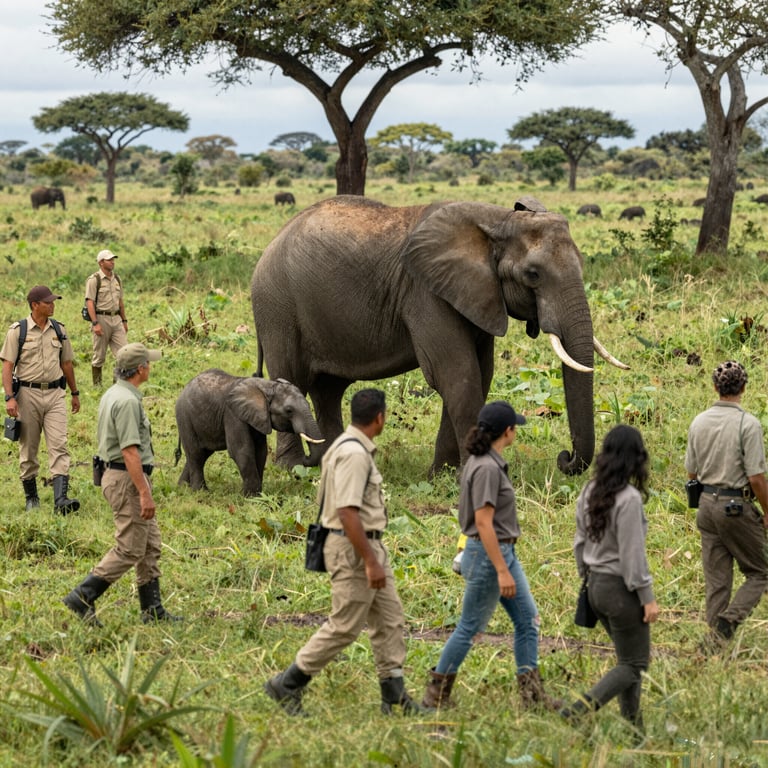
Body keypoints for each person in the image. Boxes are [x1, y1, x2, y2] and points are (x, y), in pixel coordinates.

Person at [265, 388, 420, 716]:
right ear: (380, 418)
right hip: (354, 548)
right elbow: (348, 511)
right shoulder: (353, 454)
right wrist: (369, 561)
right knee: (345, 624)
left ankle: (393, 695)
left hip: (367, 545)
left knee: (389, 619)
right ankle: (288, 683)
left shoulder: (347, 447)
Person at [421, 400, 560, 712]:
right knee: (470, 627)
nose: (516, 433)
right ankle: (436, 695)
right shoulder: (485, 468)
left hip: (501, 551)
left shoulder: (484, 461)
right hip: (489, 555)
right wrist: (501, 569)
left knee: (528, 621)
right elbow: (483, 523)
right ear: (507, 432)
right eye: (515, 428)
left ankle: (532, 696)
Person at [62, 342, 182, 626]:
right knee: (130, 548)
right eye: (148, 363)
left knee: (150, 544)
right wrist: (144, 492)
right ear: (140, 369)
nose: (150, 367)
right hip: (127, 479)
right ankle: (82, 596)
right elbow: (130, 451)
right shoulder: (127, 402)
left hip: (118, 475)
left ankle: (152, 609)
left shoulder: (114, 393)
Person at [560, 425, 658, 730]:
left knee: (628, 660)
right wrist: (647, 597)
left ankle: (634, 730)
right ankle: (580, 709)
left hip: (595, 587)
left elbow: (579, 542)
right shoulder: (628, 499)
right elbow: (633, 558)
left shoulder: (589, 490)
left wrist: (586, 579)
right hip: (620, 591)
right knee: (634, 663)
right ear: (635, 458)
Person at [684, 360, 768, 651]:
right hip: (735, 507)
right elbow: (756, 478)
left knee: (717, 581)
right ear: (743, 388)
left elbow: (691, 473)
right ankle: (728, 622)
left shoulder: (698, 422)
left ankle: (713, 645)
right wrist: (767, 512)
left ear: (715, 387)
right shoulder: (749, 423)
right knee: (760, 572)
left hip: (706, 506)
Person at [1, 285, 81, 513]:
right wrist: (9, 398)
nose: (52, 305)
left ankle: (61, 500)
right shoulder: (18, 331)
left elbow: (66, 364)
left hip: (56, 393)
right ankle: (32, 498)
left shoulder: (59, 329)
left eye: (53, 301)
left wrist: (74, 393)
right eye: (47, 302)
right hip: (27, 394)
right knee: (29, 448)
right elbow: (7, 367)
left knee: (59, 445)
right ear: (35, 305)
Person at [84, 249, 127, 387]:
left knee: (124, 354)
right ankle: (97, 387)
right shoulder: (94, 280)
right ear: (101, 262)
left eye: (113, 259)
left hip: (116, 319)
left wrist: (124, 320)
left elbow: (120, 301)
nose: (113, 262)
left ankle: (117, 385)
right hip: (101, 318)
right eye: (109, 260)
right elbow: (89, 301)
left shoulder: (117, 279)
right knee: (99, 356)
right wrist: (95, 323)